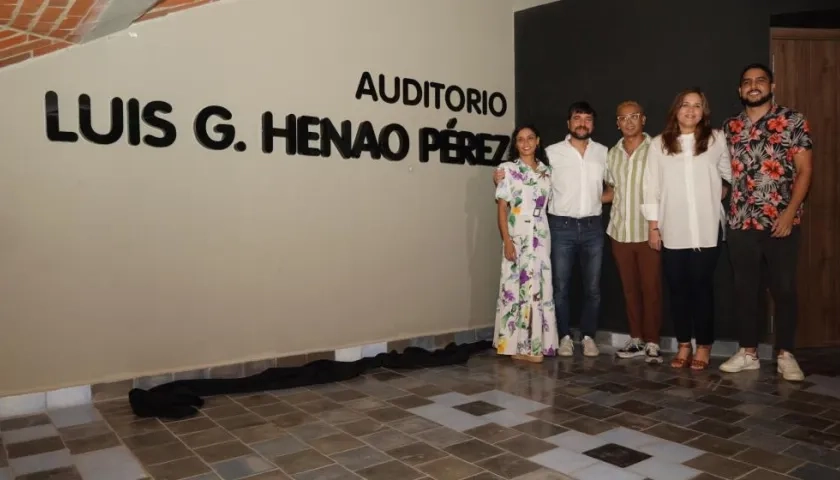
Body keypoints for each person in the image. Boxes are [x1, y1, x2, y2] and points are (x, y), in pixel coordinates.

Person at [719, 64, 813, 382]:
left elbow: (805, 172)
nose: (754, 86)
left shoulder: (792, 120)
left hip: (780, 223)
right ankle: (748, 352)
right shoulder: (730, 127)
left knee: (783, 289)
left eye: (760, 81)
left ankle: (786, 354)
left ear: (771, 86)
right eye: (747, 83)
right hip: (741, 223)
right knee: (745, 290)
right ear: (740, 90)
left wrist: (789, 213)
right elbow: (724, 177)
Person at [495, 102, 609, 357]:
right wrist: (499, 177)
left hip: (587, 228)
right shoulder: (552, 154)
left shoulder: (602, 153)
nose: (582, 123)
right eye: (577, 118)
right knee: (559, 287)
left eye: (587, 119)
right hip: (560, 227)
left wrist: (592, 199)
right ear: (568, 123)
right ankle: (563, 337)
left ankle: (588, 336)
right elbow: (509, 194)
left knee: (592, 288)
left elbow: (611, 186)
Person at [641, 88, 731, 371]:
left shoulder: (716, 139)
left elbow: (729, 173)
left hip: (706, 229)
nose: (691, 111)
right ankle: (683, 345)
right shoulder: (659, 144)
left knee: (702, 289)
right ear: (675, 110)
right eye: (685, 105)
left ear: (704, 111)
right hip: (673, 229)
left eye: (697, 106)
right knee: (678, 290)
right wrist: (654, 227)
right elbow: (650, 186)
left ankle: (704, 345)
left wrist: (723, 188)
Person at [493, 125, 560, 363]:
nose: (526, 143)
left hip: (541, 235)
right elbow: (502, 210)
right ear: (516, 143)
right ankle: (517, 346)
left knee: (539, 288)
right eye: (520, 139)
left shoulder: (547, 171)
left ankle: (536, 344)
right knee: (515, 290)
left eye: (530, 138)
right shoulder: (507, 170)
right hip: (517, 232)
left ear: (538, 140)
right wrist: (507, 241)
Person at [604, 101, 663, 364]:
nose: (628, 122)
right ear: (617, 123)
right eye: (623, 118)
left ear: (644, 119)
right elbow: (612, 190)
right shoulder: (612, 154)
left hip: (649, 230)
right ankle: (636, 338)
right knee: (629, 290)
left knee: (651, 289)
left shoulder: (658, 149)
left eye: (634, 117)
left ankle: (652, 342)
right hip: (620, 231)